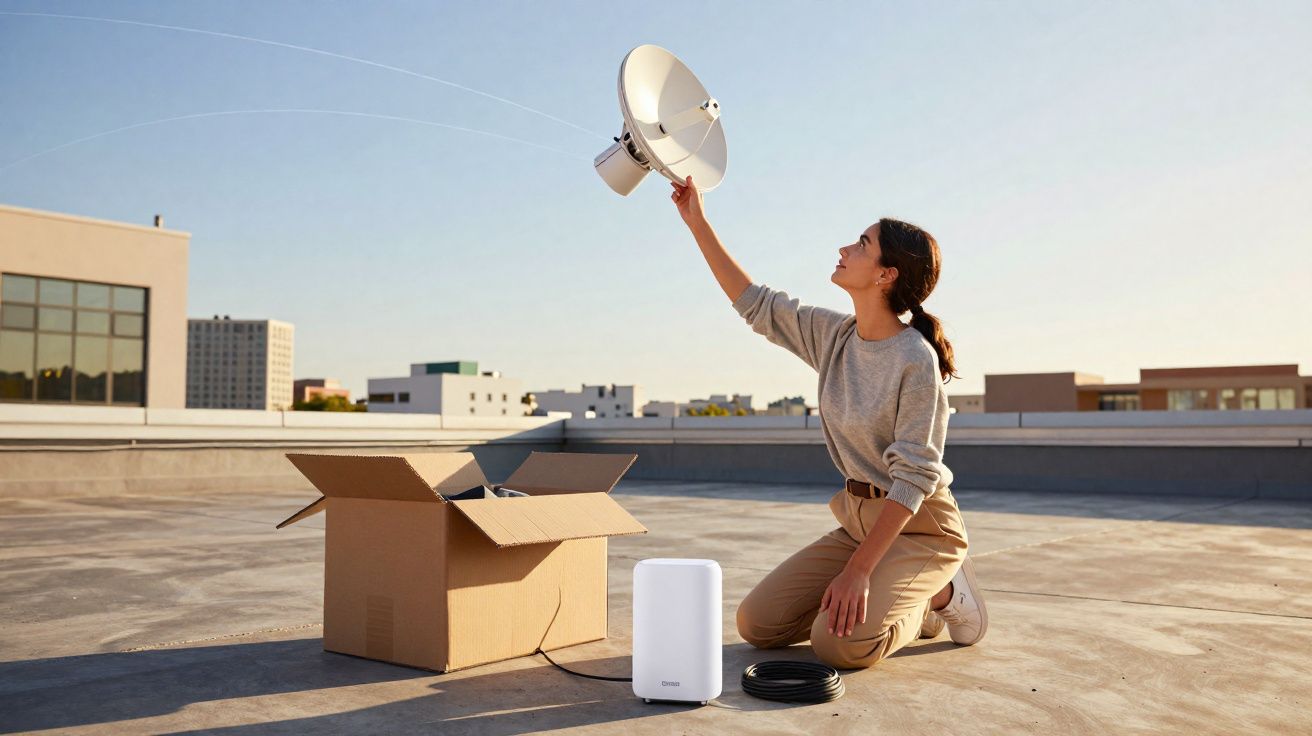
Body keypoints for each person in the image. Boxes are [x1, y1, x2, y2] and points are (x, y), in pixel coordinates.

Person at [670, 174, 986, 670]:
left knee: (838, 645)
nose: (845, 247)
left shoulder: (914, 358)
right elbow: (757, 305)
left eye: (862, 244)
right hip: (859, 522)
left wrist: (860, 572)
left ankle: (934, 595)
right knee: (759, 624)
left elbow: (916, 477)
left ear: (886, 275)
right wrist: (697, 223)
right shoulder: (835, 335)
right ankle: (897, 593)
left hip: (920, 529)